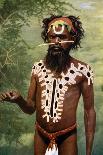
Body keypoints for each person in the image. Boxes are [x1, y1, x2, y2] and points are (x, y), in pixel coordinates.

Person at [0, 15, 96, 155]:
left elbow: (89, 112)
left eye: (62, 37)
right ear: (47, 39)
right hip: (41, 135)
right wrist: (19, 100)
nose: (56, 42)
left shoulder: (83, 71)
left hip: (67, 136)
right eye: (52, 37)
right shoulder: (38, 68)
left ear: (72, 39)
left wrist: (88, 152)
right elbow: (30, 109)